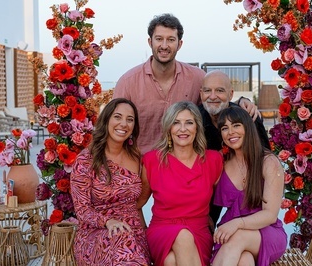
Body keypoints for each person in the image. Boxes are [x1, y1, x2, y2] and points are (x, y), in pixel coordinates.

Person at [113, 13, 259, 153]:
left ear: (179, 44)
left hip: (186, 166)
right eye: (159, 39)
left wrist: (241, 102)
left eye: (171, 39)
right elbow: (113, 124)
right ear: (150, 42)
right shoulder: (128, 82)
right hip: (142, 166)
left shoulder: (197, 78)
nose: (164, 45)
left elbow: (216, 100)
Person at [137, 101, 223, 266]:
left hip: (199, 231)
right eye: (176, 123)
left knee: (171, 261)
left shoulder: (213, 160)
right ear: (169, 128)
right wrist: (141, 231)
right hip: (161, 230)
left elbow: (231, 196)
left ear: (197, 127)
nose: (182, 129)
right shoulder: (152, 160)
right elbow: (137, 202)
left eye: (189, 123)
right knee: (183, 235)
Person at [70, 98, 151, 265]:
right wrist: (108, 221)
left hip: (133, 231)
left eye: (130, 120)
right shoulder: (86, 160)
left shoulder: (137, 158)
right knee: (124, 248)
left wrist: (138, 223)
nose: (124, 124)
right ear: (106, 120)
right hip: (96, 233)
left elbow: (142, 195)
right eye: (118, 117)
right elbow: (82, 209)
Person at [211, 106, 287, 266]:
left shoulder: (268, 162)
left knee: (237, 238)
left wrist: (237, 224)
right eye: (225, 128)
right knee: (244, 260)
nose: (230, 132)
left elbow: (270, 215)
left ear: (248, 127)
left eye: (236, 125)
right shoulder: (222, 163)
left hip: (266, 232)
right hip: (231, 233)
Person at [199, 70, 270, 227]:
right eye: (207, 91)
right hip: (207, 188)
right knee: (204, 231)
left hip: (243, 188)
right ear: (201, 93)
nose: (212, 96)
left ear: (231, 94)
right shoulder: (194, 119)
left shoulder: (247, 117)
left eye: (219, 90)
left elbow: (264, 158)